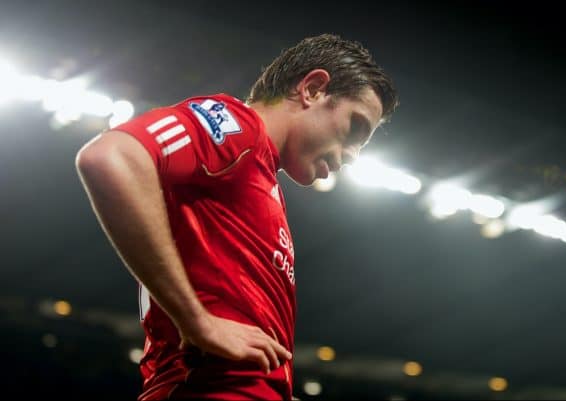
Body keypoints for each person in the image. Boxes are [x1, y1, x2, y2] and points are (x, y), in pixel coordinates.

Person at [76, 33, 397, 400]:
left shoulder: (260, 178)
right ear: (312, 89)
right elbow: (109, 157)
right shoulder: (234, 126)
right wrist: (196, 321)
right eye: (355, 128)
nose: (353, 154)